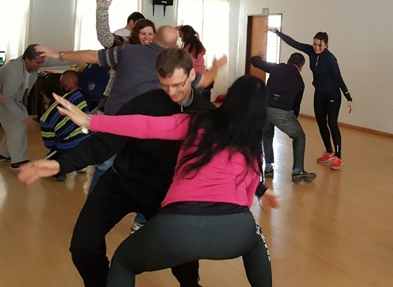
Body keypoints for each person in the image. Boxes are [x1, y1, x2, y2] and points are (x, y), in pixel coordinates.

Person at [19, 47, 222, 287]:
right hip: (121, 183)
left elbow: (220, 163)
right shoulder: (145, 102)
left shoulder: (207, 114)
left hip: (166, 195)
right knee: (83, 247)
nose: (171, 92)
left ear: (192, 75)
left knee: (183, 251)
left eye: (178, 85)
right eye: (165, 85)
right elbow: (105, 141)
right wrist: (60, 164)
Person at [50, 75, 278, 287]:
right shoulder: (254, 149)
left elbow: (146, 126)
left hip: (179, 223)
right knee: (255, 239)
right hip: (234, 229)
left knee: (123, 261)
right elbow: (246, 198)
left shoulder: (196, 121)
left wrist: (90, 121)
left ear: (229, 97)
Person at [269, 29, 352, 170]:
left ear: (326, 45)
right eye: (314, 44)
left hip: (333, 95)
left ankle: (338, 157)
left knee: (332, 124)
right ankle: (329, 151)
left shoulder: (331, 59)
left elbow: (338, 78)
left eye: (320, 45)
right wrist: (277, 32)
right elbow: (294, 43)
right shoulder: (311, 51)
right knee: (321, 123)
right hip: (319, 92)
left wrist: (348, 96)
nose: (316, 47)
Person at [0, 44, 69, 170]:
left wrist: (83, 58)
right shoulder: (13, 72)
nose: (40, 65)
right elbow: (8, 100)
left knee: (13, 126)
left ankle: (2, 154)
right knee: (17, 126)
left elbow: (59, 59)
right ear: (27, 59)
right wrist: (24, 118)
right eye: (37, 63)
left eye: (41, 62)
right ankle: (18, 161)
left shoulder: (36, 61)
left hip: (13, 98)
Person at [250, 52, 317, 183]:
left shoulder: (276, 67)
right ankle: (298, 170)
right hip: (283, 113)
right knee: (299, 136)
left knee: (267, 133)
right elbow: (295, 107)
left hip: (264, 109)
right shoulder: (300, 82)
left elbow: (254, 61)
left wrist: (258, 57)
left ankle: (268, 167)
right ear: (301, 68)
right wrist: (291, 122)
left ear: (288, 61)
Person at [39, 81, 91, 181]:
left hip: (69, 146)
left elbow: (49, 143)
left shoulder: (46, 118)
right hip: (88, 140)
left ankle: (60, 171)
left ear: (45, 96)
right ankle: (80, 164)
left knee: (45, 163)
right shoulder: (77, 95)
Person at [179, 25, 211, 101]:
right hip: (202, 74)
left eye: (180, 34)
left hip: (196, 77)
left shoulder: (189, 50)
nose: (179, 36)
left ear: (186, 35)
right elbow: (195, 34)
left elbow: (189, 66)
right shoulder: (196, 44)